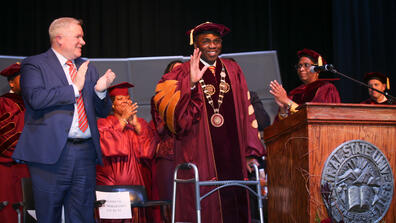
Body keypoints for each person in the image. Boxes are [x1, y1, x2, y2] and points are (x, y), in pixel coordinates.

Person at [151, 22, 265, 223]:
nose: (212, 45)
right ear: (196, 45)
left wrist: (249, 152)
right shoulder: (182, 72)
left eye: (216, 41)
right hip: (198, 153)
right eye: (206, 41)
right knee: (204, 207)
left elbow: (246, 112)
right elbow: (175, 118)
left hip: (233, 154)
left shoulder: (233, 69)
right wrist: (191, 85)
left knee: (234, 203)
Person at [12, 17, 116, 223]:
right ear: (59, 39)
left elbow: (103, 112)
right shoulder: (34, 64)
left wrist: (100, 92)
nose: (83, 42)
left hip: (85, 153)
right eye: (78, 37)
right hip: (50, 155)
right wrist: (74, 88)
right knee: (49, 214)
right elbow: (35, 99)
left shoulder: (87, 67)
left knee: (82, 215)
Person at [96, 82, 156, 223]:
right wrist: (123, 120)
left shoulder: (140, 123)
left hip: (138, 183)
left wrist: (137, 126)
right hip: (112, 185)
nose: (126, 101)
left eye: (127, 98)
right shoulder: (103, 124)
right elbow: (109, 147)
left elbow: (148, 151)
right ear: (112, 105)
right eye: (120, 99)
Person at [269, 48, 340, 119]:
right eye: (299, 66)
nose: (301, 69)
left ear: (317, 69)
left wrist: (287, 101)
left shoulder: (326, 88)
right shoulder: (294, 93)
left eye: (306, 65)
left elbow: (316, 116)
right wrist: (283, 109)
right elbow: (285, 124)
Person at [0, 63, 30, 223]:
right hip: (9, 167)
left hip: (33, 166)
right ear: (11, 82)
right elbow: (4, 137)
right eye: (23, 78)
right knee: (10, 212)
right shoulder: (3, 103)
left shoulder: (36, 103)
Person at [151, 60, 183, 203]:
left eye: (181, 71)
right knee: (170, 201)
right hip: (169, 154)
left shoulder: (194, 96)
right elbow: (161, 128)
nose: (177, 75)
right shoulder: (159, 98)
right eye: (174, 71)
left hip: (190, 153)